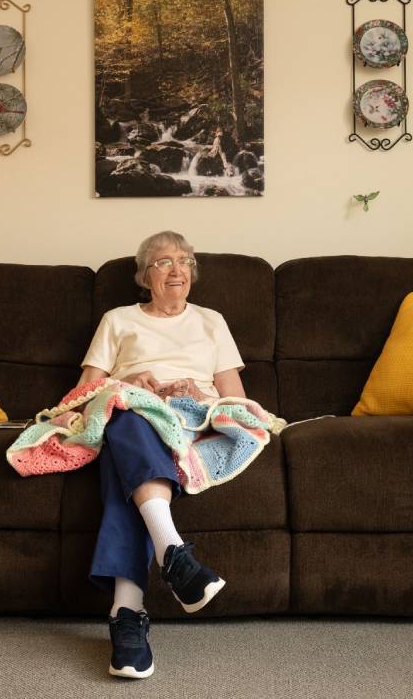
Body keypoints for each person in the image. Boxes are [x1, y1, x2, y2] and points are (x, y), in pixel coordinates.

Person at [61, 230, 246, 679]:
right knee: (126, 412)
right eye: (164, 262)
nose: (177, 269)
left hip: (189, 415)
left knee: (123, 441)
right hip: (131, 409)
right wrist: (129, 385)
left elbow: (236, 401)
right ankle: (174, 558)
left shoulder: (212, 321)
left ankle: (127, 612)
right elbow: (84, 393)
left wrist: (196, 396)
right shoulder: (118, 320)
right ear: (145, 276)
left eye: (184, 261)